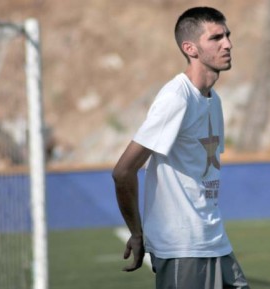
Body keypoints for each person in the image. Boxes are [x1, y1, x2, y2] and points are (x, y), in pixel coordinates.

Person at [112, 6, 250, 289]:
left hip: (214, 242)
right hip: (183, 249)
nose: (228, 44)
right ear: (191, 48)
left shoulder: (215, 99)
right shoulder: (177, 97)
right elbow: (124, 171)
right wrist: (137, 234)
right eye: (216, 38)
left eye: (227, 35)